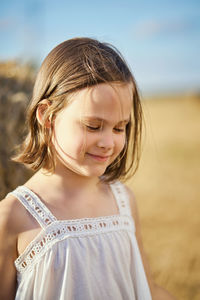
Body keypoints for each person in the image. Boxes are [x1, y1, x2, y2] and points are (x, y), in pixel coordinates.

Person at [0, 37, 176, 300]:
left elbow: (145, 289)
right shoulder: (12, 216)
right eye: (93, 126)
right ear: (47, 117)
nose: (108, 142)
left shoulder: (123, 201)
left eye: (120, 128)